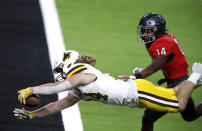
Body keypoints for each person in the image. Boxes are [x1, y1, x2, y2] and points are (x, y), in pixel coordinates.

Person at [14, 50, 202, 121]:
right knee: (175, 93)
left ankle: (196, 74)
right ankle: (197, 79)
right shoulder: (78, 86)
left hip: (138, 93)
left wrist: (31, 90)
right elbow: (57, 105)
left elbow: (57, 86)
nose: (60, 73)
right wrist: (33, 115)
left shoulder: (82, 76)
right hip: (137, 95)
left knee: (180, 104)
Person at [133, 13, 202, 131]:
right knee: (190, 116)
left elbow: (154, 66)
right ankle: (195, 81)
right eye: (143, 31)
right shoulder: (163, 39)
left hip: (178, 83)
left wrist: (136, 77)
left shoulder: (162, 43)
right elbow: (161, 61)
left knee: (148, 116)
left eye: (148, 31)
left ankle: (194, 81)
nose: (144, 34)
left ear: (157, 30)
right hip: (179, 79)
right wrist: (142, 70)